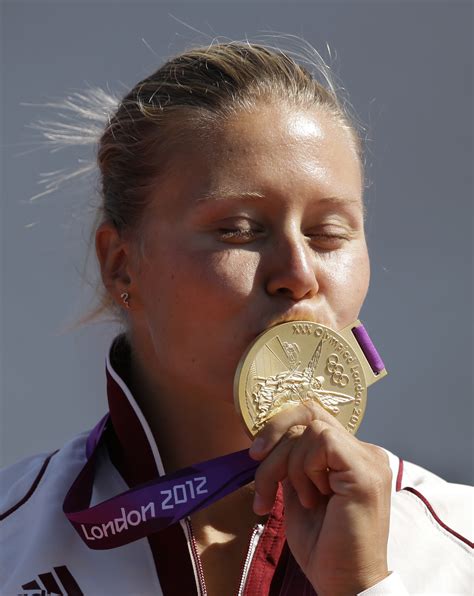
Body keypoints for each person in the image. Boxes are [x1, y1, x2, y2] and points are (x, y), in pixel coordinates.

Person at [1, 40, 472, 596]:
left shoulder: (456, 542)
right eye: (240, 230)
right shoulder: (14, 540)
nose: (298, 273)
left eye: (328, 233)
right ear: (122, 265)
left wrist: (362, 587)